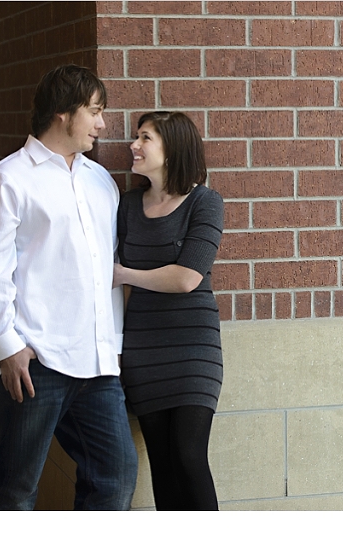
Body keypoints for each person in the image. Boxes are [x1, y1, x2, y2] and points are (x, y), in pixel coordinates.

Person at [0, 64, 138, 510]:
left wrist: (113, 344)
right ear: (64, 114)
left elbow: (106, 267)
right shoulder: (8, 179)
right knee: (16, 488)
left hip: (98, 365)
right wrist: (9, 348)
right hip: (35, 362)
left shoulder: (99, 180)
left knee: (117, 477)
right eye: (95, 112)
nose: (103, 124)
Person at [113, 111, 224, 511]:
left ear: (172, 148)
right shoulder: (127, 206)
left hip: (194, 347)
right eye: (136, 137)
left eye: (145, 138)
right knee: (162, 464)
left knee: (189, 456)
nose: (134, 145)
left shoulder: (205, 202)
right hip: (143, 349)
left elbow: (187, 278)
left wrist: (124, 273)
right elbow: (121, 293)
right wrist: (120, 348)